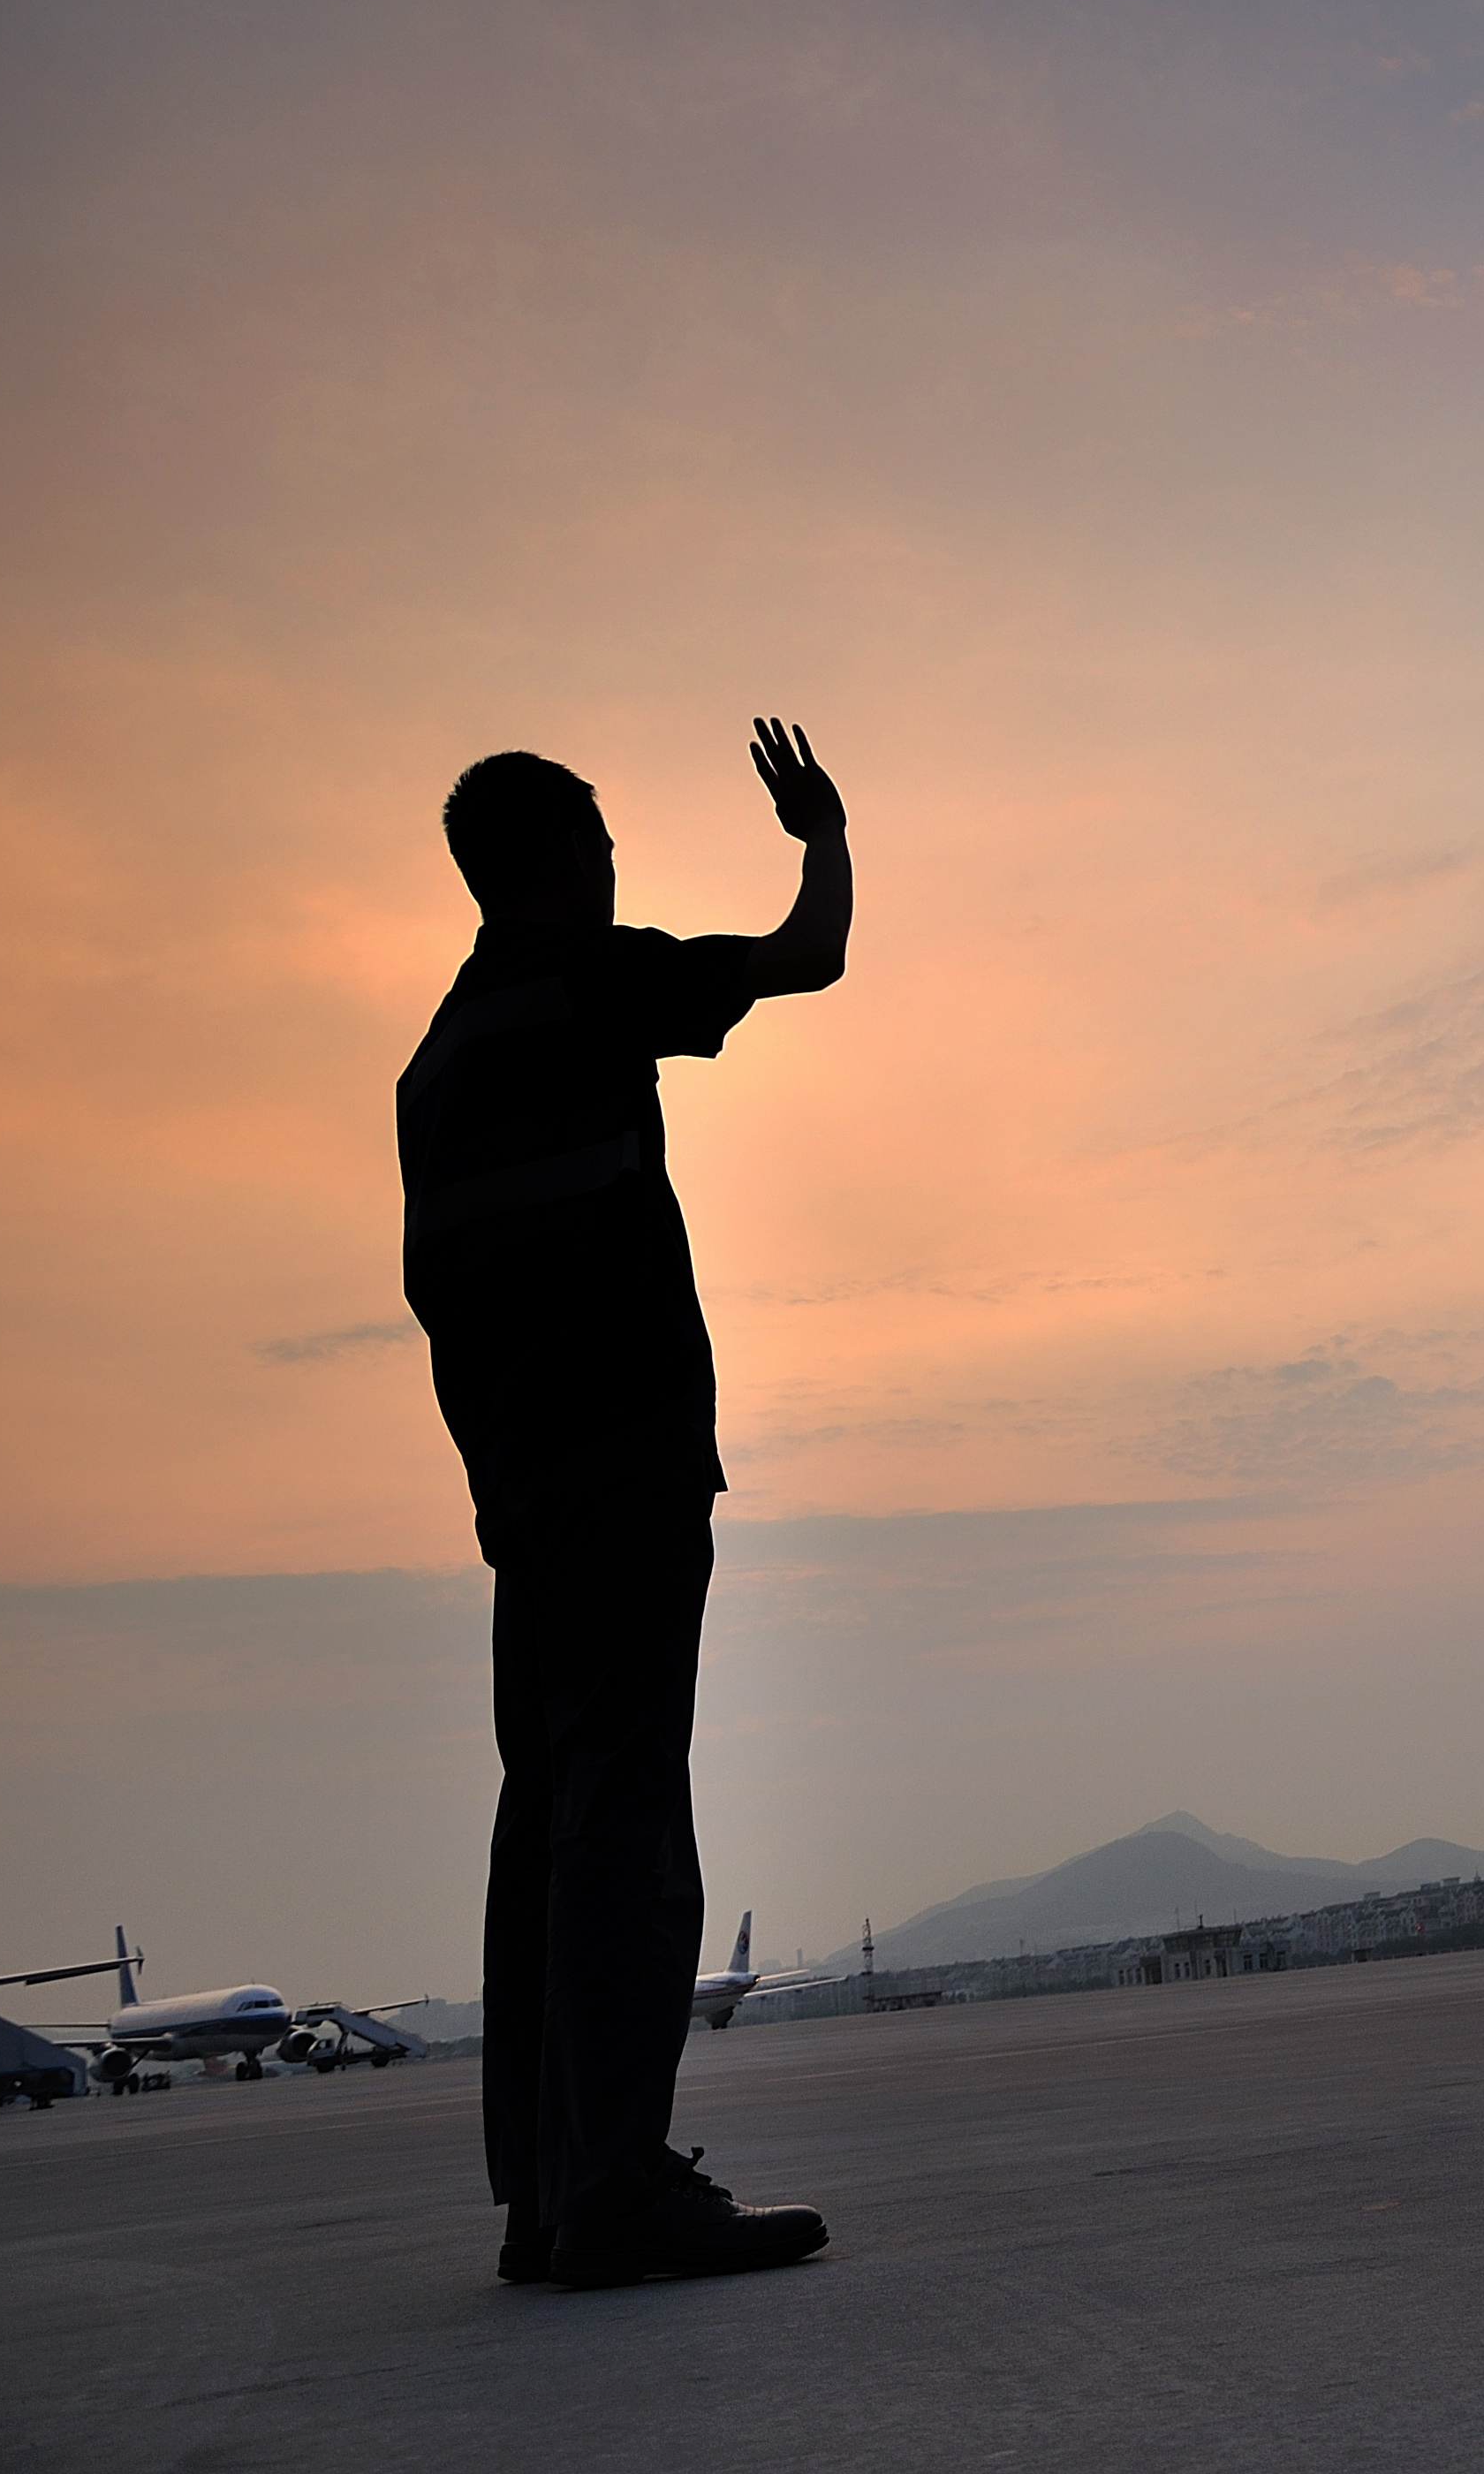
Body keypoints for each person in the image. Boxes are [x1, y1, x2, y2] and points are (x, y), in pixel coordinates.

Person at [398, 720, 852, 2289]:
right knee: (628, 1822)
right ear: (563, 857)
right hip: (623, 1468)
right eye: (599, 843)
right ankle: (618, 2187)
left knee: (547, 1820)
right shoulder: (587, 987)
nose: (613, 865)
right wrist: (822, 837)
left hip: (523, 1491)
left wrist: (501, 1477)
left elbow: (443, 1299)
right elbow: (807, 958)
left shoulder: (436, 1063)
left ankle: (547, 2192)